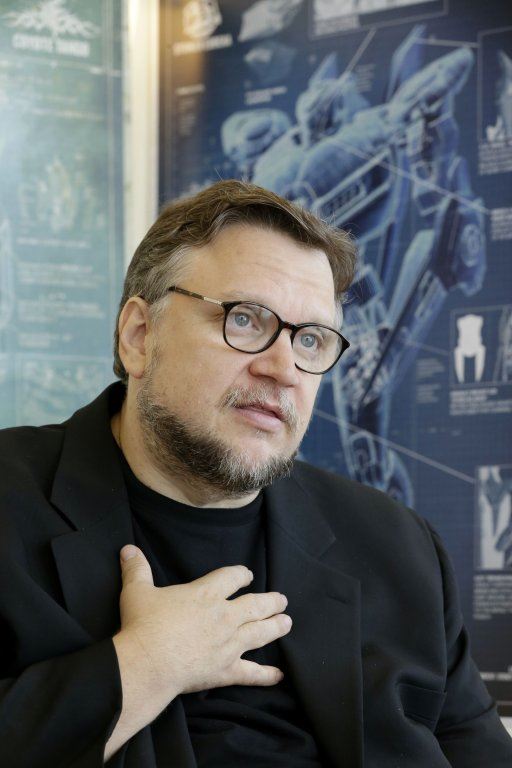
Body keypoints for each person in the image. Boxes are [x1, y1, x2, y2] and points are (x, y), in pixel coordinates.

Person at [0, 180, 511, 768]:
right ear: (140, 336)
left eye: (311, 339)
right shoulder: (11, 504)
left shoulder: (400, 549)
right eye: (244, 319)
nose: (283, 368)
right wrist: (143, 666)